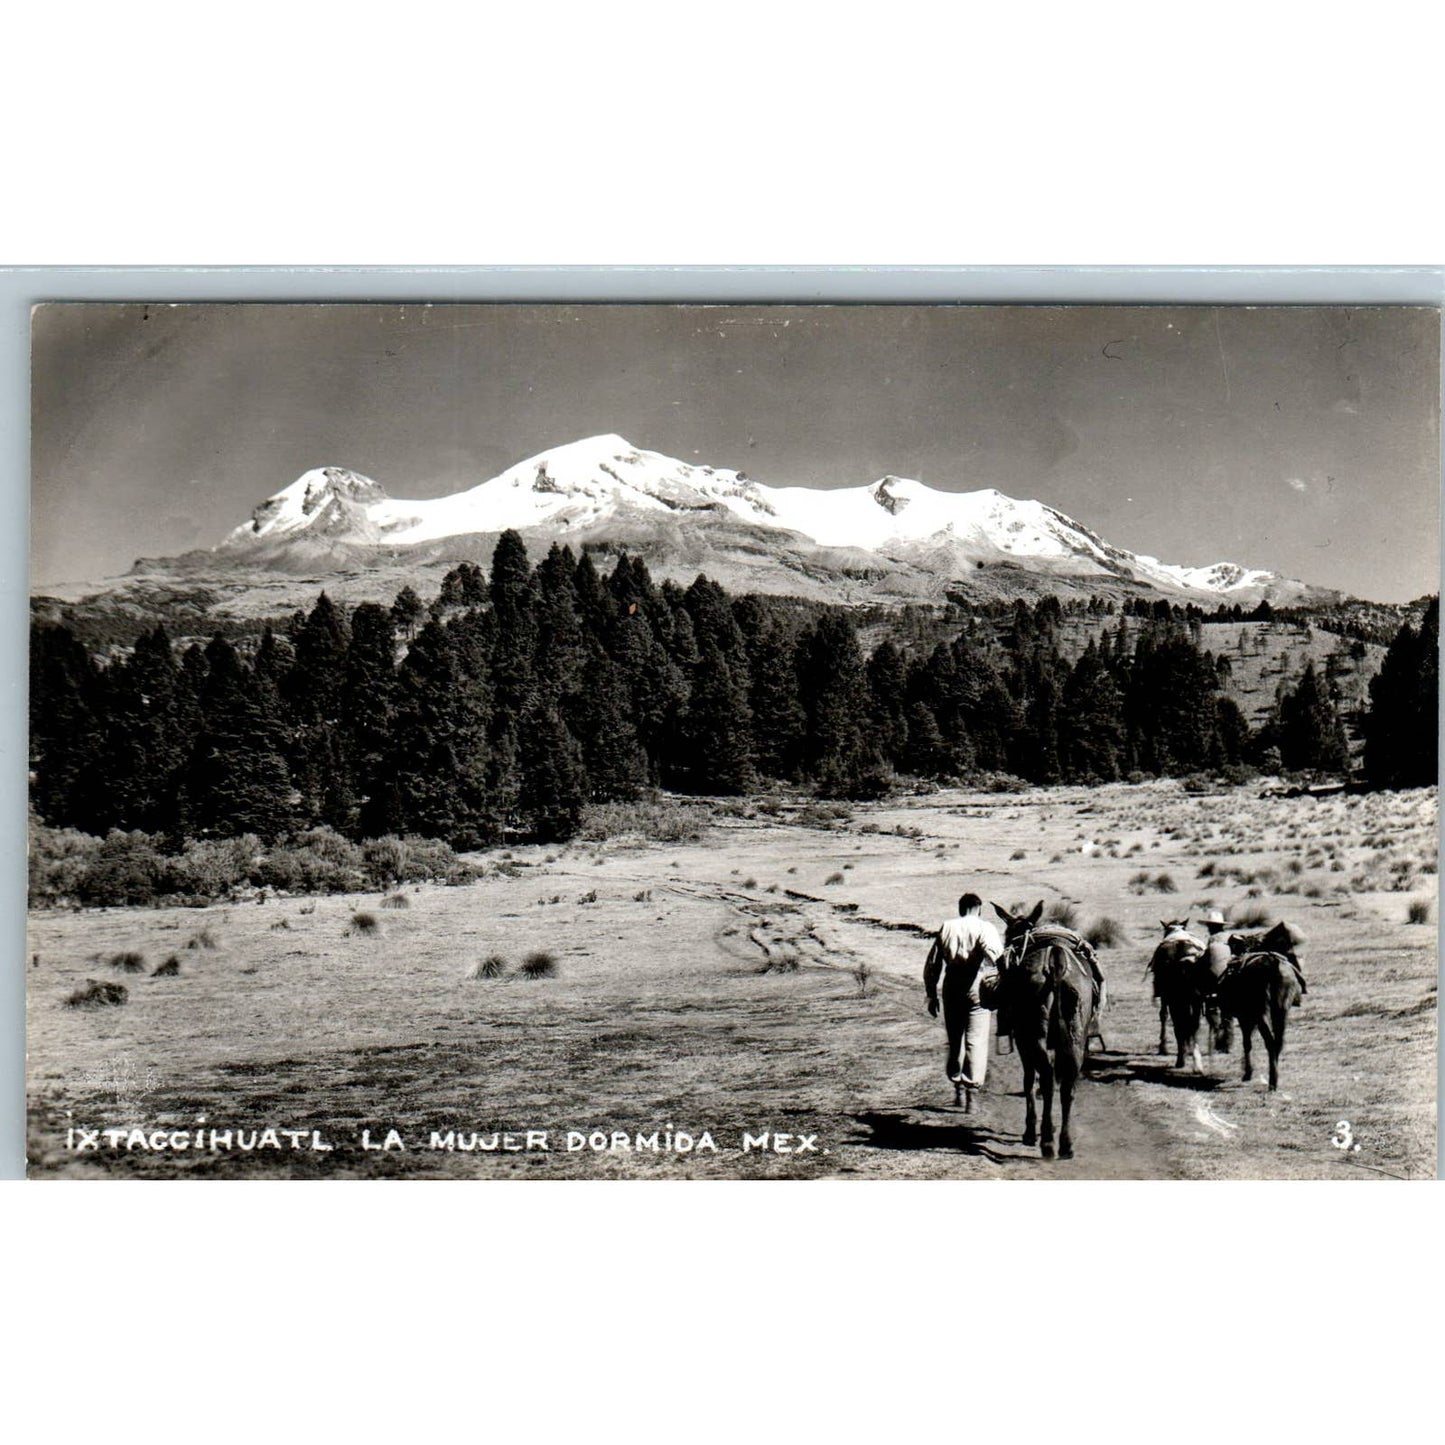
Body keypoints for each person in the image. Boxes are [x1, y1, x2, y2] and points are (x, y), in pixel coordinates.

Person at [923, 892, 1004, 1113]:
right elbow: (998, 957)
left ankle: (957, 1088)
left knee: (955, 1038)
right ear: (978, 908)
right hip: (977, 986)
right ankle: (971, 1095)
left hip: (951, 987)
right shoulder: (985, 927)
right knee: (975, 1040)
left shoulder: (947, 926)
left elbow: (933, 965)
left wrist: (931, 994)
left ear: (961, 908)